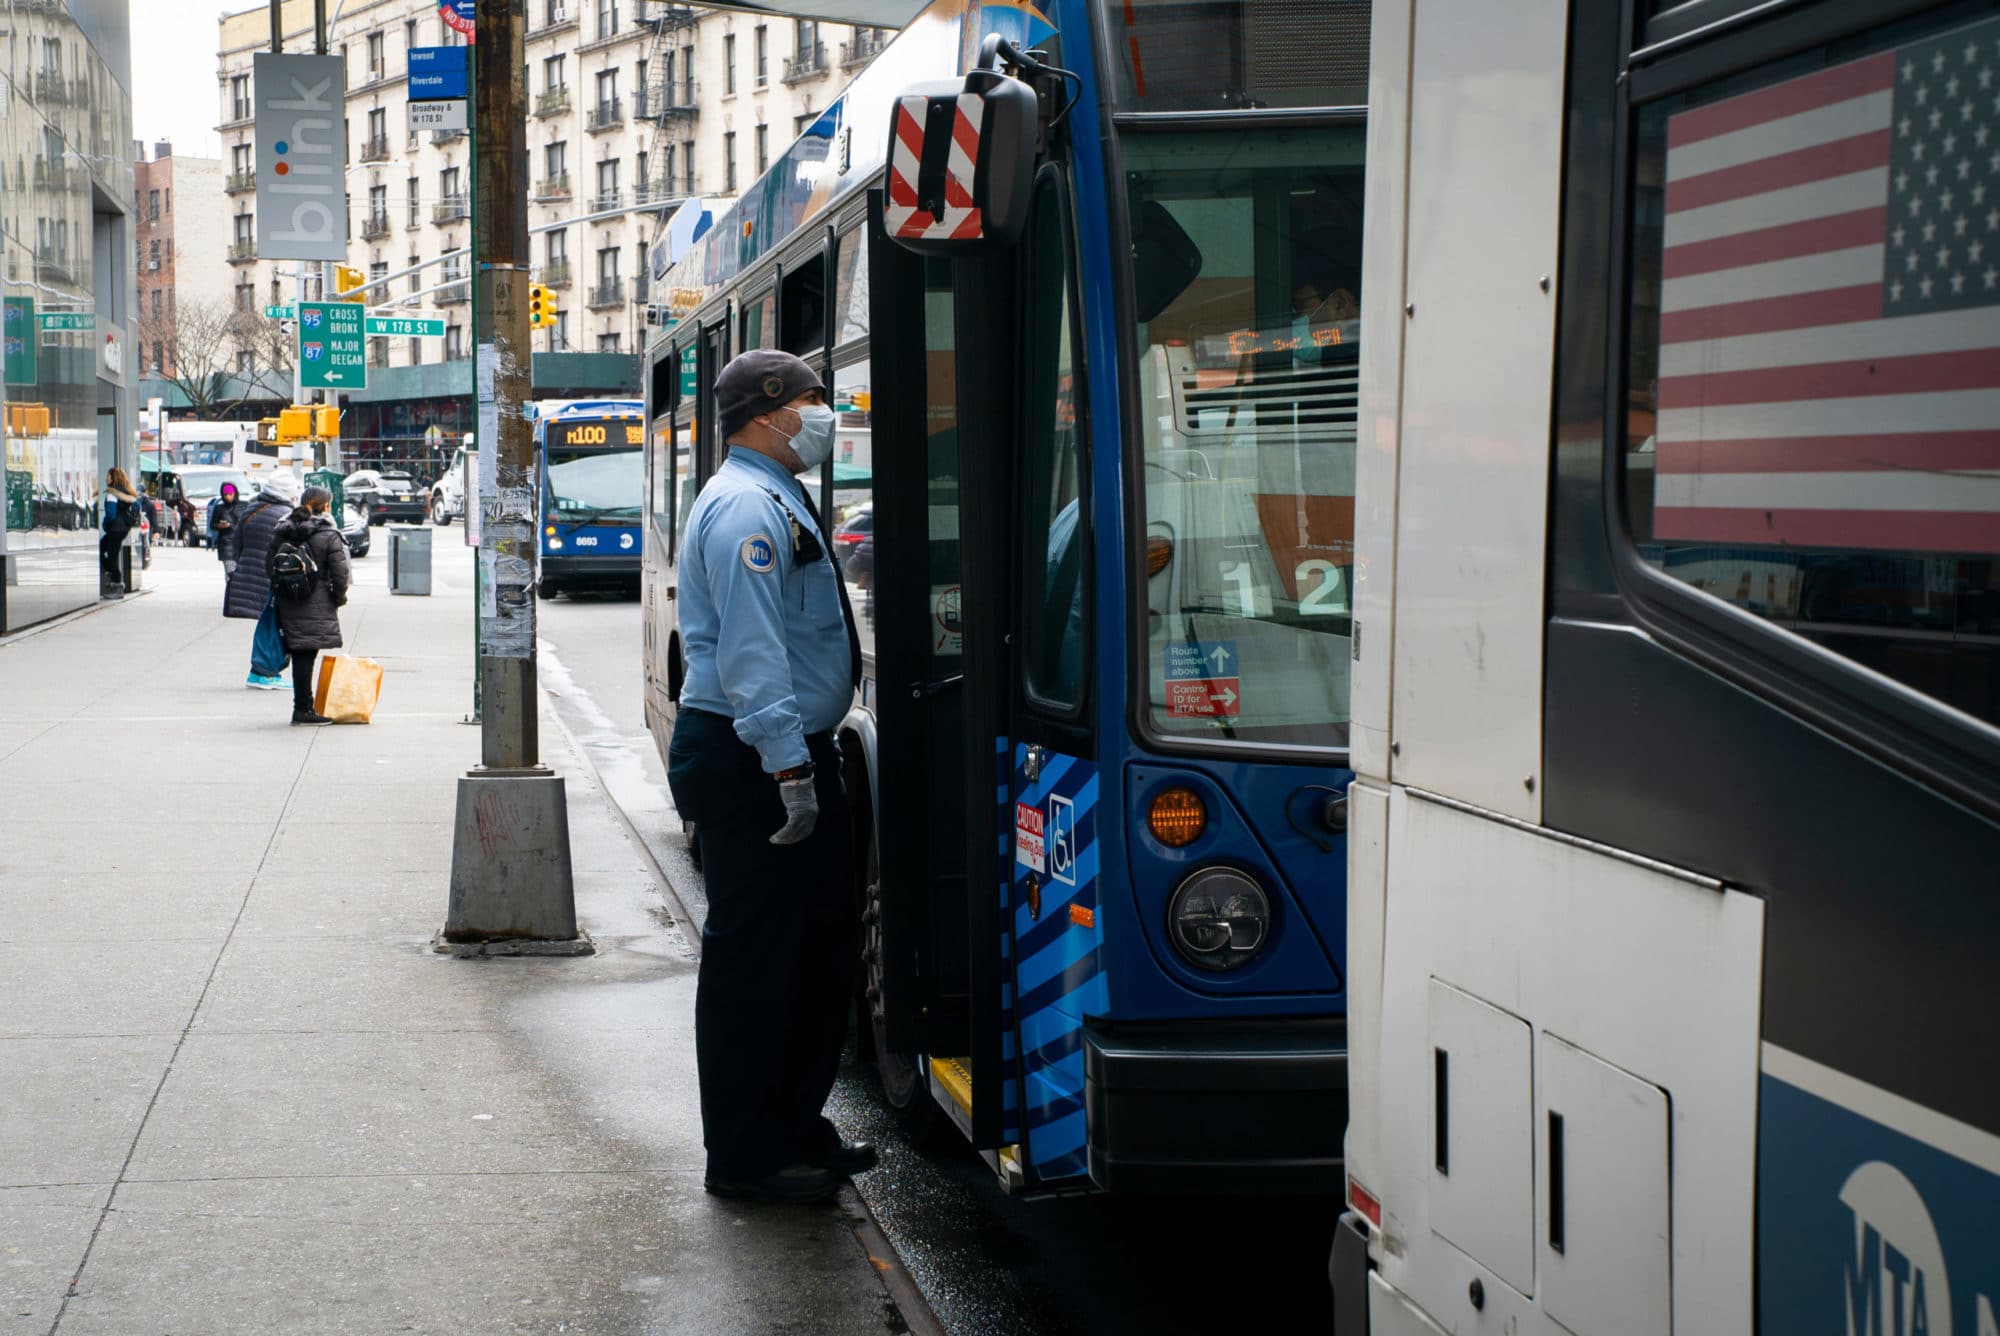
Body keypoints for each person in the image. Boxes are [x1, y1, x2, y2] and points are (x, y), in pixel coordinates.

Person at [665, 349, 871, 1205]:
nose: (826, 414)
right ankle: (749, 1155)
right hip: (756, 758)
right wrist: (790, 767)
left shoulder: (768, 491)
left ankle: (792, 1127)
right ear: (771, 411)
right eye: (816, 400)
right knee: (760, 963)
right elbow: (753, 656)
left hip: (773, 750)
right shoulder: (748, 506)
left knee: (815, 953)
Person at [266, 485, 350, 726]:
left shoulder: (282, 530)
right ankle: (303, 709)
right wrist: (338, 598)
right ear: (325, 506)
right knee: (305, 655)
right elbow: (340, 573)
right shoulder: (328, 534)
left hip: (287, 600)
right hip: (317, 600)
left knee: (300, 652)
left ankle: (303, 706)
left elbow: (268, 566)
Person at [223, 473, 301, 690]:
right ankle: (263, 671)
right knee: (272, 623)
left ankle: (263, 671)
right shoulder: (285, 514)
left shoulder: (252, 507)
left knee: (268, 621)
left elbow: (236, 542)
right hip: (270, 575)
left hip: (249, 571)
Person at [99, 467, 140, 597]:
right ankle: (115, 579)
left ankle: (117, 584)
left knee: (108, 554)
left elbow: (111, 514)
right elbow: (137, 506)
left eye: (108, 476)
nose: (106, 478)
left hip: (115, 529)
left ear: (113, 478)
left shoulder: (112, 493)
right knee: (111, 552)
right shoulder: (127, 492)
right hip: (123, 528)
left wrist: (105, 524)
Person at [210, 481, 246, 574]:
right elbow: (212, 525)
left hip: (242, 544)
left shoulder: (244, 506)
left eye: (230, 494)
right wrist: (220, 526)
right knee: (230, 575)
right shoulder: (219, 508)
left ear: (235, 494)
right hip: (226, 544)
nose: (228, 497)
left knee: (241, 574)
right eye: (225, 494)